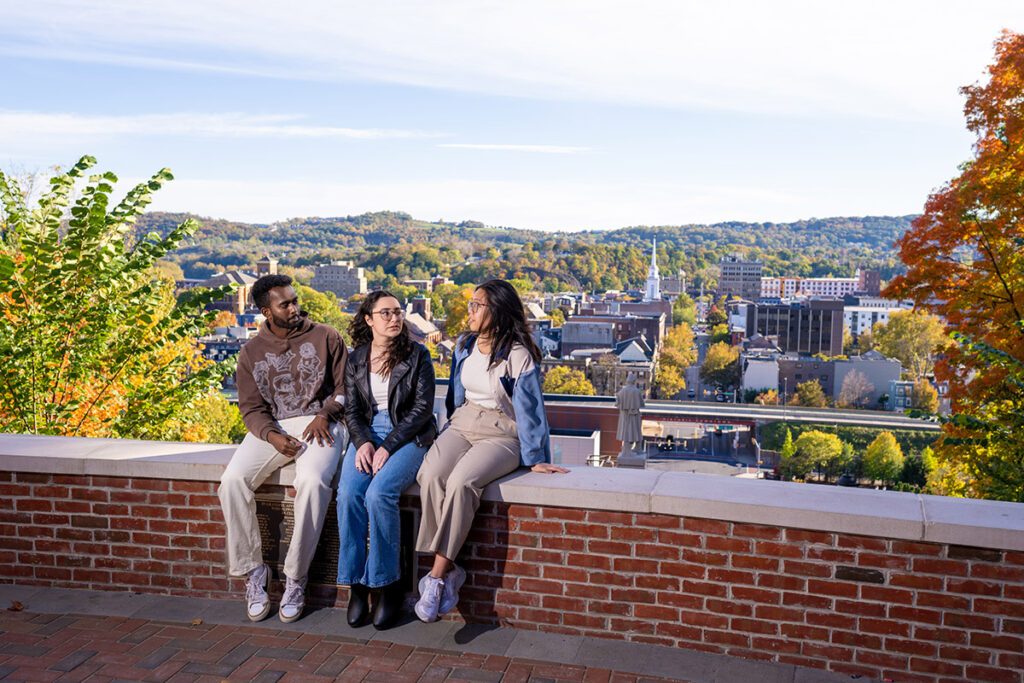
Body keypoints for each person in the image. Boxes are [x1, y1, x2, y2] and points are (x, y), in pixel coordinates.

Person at [414, 279, 569, 623]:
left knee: (462, 482)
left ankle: (436, 577)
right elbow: (457, 392)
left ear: (495, 310)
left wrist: (536, 457)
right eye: (471, 304)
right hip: (463, 423)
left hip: (503, 432)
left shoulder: (517, 355)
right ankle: (451, 569)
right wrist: (449, 425)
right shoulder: (465, 345)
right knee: (430, 473)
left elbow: (530, 411)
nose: (469, 311)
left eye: (477, 305)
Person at [218, 274, 348, 624]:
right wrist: (272, 436)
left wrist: (325, 414)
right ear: (266, 311)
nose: (294, 307)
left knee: (311, 483)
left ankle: (294, 578)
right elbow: (250, 408)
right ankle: (253, 573)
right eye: (285, 304)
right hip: (274, 428)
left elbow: (346, 389)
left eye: (294, 300)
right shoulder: (250, 352)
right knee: (231, 482)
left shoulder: (326, 336)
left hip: (325, 422)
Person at [337, 291, 437, 629]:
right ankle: (356, 585)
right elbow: (351, 410)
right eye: (385, 313)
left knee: (379, 495)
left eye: (398, 312)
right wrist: (363, 441)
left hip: (410, 435)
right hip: (368, 433)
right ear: (369, 319)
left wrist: (387, 446)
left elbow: (422, 411)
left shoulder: (418, 355)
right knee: (348, 494)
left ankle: (387, 586)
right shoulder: (356, 359)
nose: (394, 318)